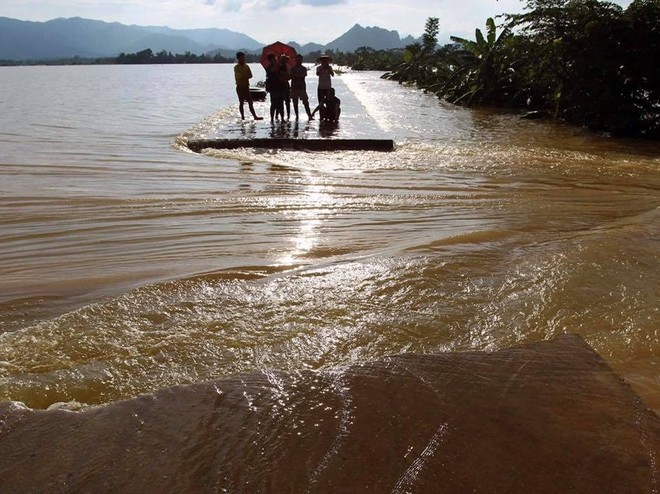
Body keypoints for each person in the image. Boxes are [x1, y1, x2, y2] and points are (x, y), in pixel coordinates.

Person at [233, 52, 263, 120]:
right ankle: (243, 117)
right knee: (241, 102)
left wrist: (245, 76)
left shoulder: (246, 66)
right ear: (238, 59)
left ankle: (255, 116)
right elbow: (239, 76)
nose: (243, 59)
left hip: (246, 86)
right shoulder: (236, 67)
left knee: (250, 102)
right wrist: (245, 76)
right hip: (240, 87)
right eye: (241, 58)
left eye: (244, 58)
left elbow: (250, 75)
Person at [289, 54, 313, 120]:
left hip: (301, 87)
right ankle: (297, 116)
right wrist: (296, 75)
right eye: (298, 59)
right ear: (296, 60)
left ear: (302, 60)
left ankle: (309, 116)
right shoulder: (293, 68)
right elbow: (291, 76)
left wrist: (295, 75)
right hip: (294, 87)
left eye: (300, 59)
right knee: (295, 102)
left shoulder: (303, 68)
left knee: (305, 102)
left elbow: (303, 76)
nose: (299, 60)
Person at [264, 53, 284, 122]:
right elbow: (273, 70)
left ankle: (282, 118)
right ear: (270, 60)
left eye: (275, 58)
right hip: (273, 88)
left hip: (280, 86)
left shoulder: (280, 66)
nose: (275, 60)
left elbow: (283, 74)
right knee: (273, 104)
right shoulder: (268, 68)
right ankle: (272, 118)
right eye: (273, 59)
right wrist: (279, 61)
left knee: (281, 103)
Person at [278, 55, 292, 120]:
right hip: (280, 85)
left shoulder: (288, 67)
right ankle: (280, 116)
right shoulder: (278, 66)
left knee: (287, 101)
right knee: (280, 101)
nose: (284, 61)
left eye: (285, 60)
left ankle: (288, 115)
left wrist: (285, 77)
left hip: (285, 85)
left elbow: (289, 77)